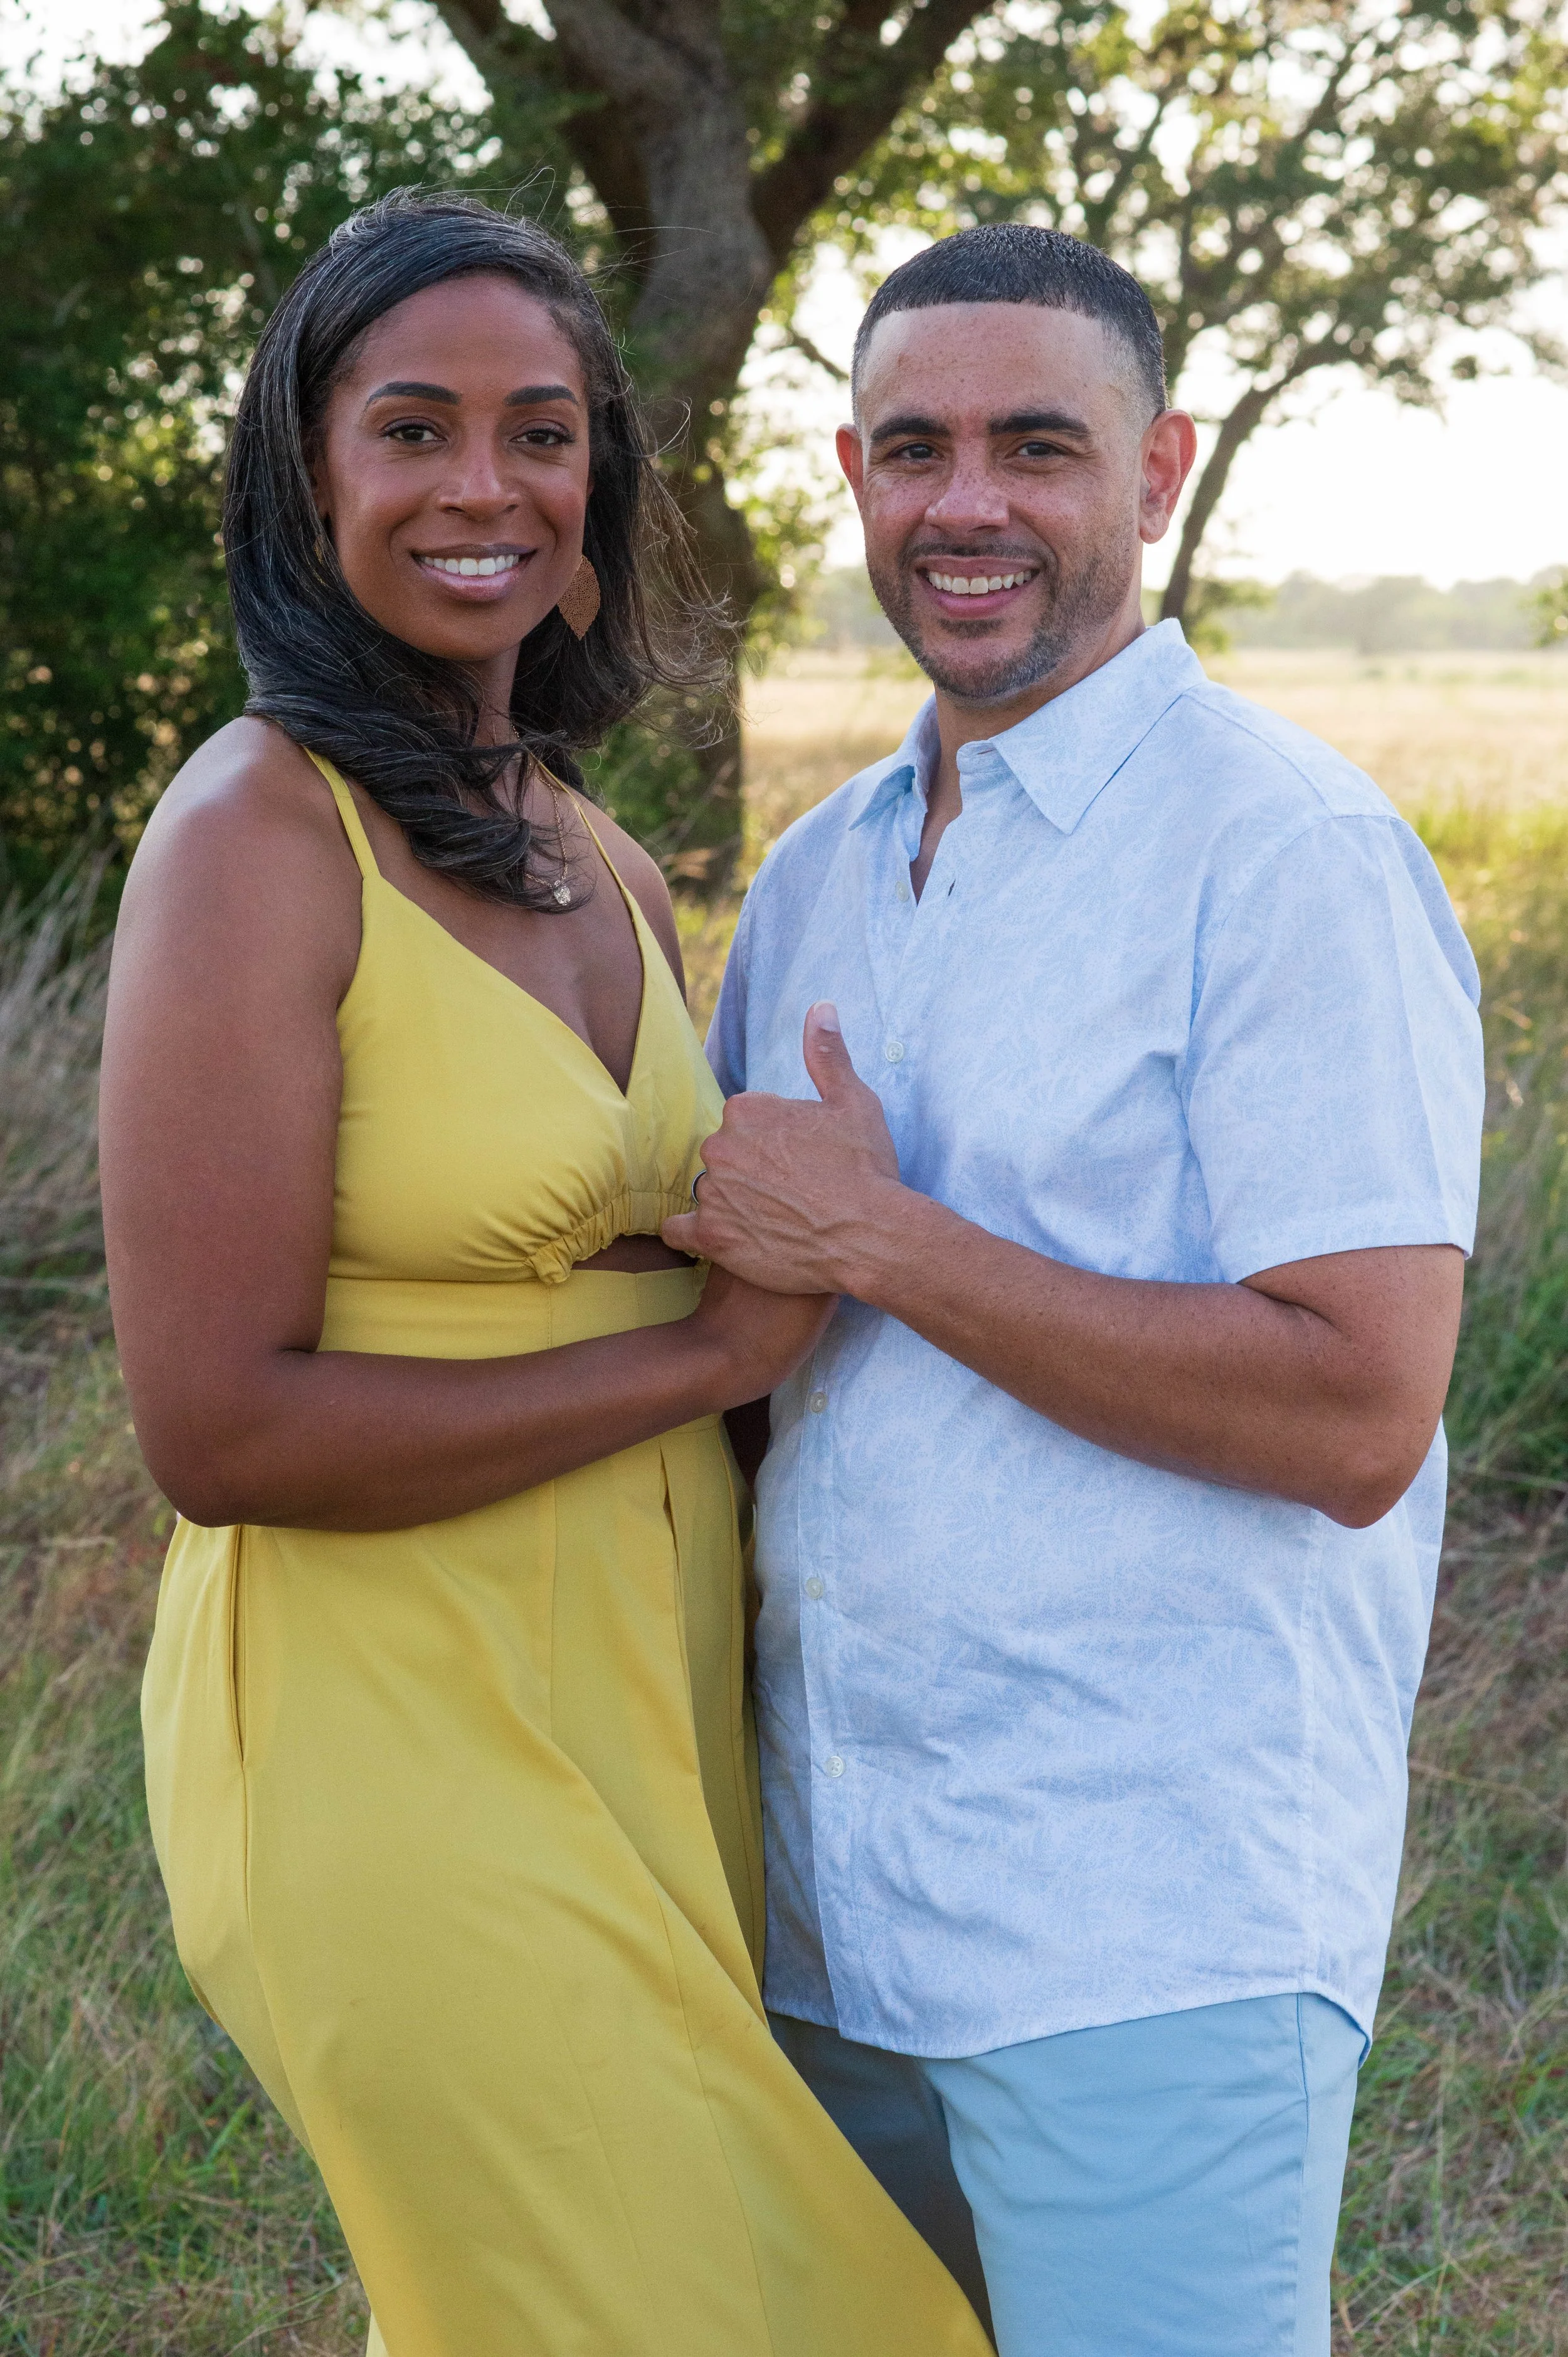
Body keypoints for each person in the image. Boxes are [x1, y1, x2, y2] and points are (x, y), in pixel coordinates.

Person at [100, 194, 992, 2357]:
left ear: (599, 490)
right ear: (307, 481)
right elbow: (216, 1426)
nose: (483, 485)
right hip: (383, 1735)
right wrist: (707, 1354)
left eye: (541, 431)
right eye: (412, 429)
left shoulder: (578, 837)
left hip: (640, 1708)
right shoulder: (254, 835)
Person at [666, 223, 1485, 2356]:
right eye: (914, 447)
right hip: (827, 1914)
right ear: (848, 475)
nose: (967, 504)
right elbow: (754, 1339)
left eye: (1038, 446)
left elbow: (1352, 1410)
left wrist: (892, 1244)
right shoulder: (829, 865)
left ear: (1157, 472)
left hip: (1148, 1923)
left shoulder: (1283, 853)